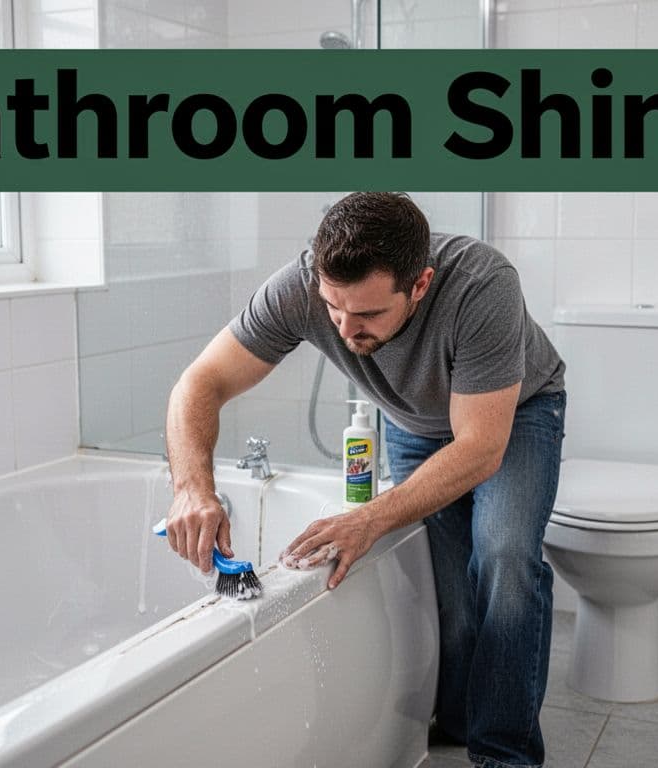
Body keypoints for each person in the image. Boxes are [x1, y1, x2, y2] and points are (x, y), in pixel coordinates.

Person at [161, 192, 566, 768]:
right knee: (448, 582)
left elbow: (479, 448)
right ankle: (456, 718)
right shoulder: (300, 289)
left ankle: (503, 753)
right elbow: (198, 383)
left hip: (513, 415)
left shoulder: (481, 285)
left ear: (420, 285)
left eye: (370, 314)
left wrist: (369, 517)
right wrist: (192, 488)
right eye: (333, 307)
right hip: (410, 421)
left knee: (503, 557)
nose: (346, 329)